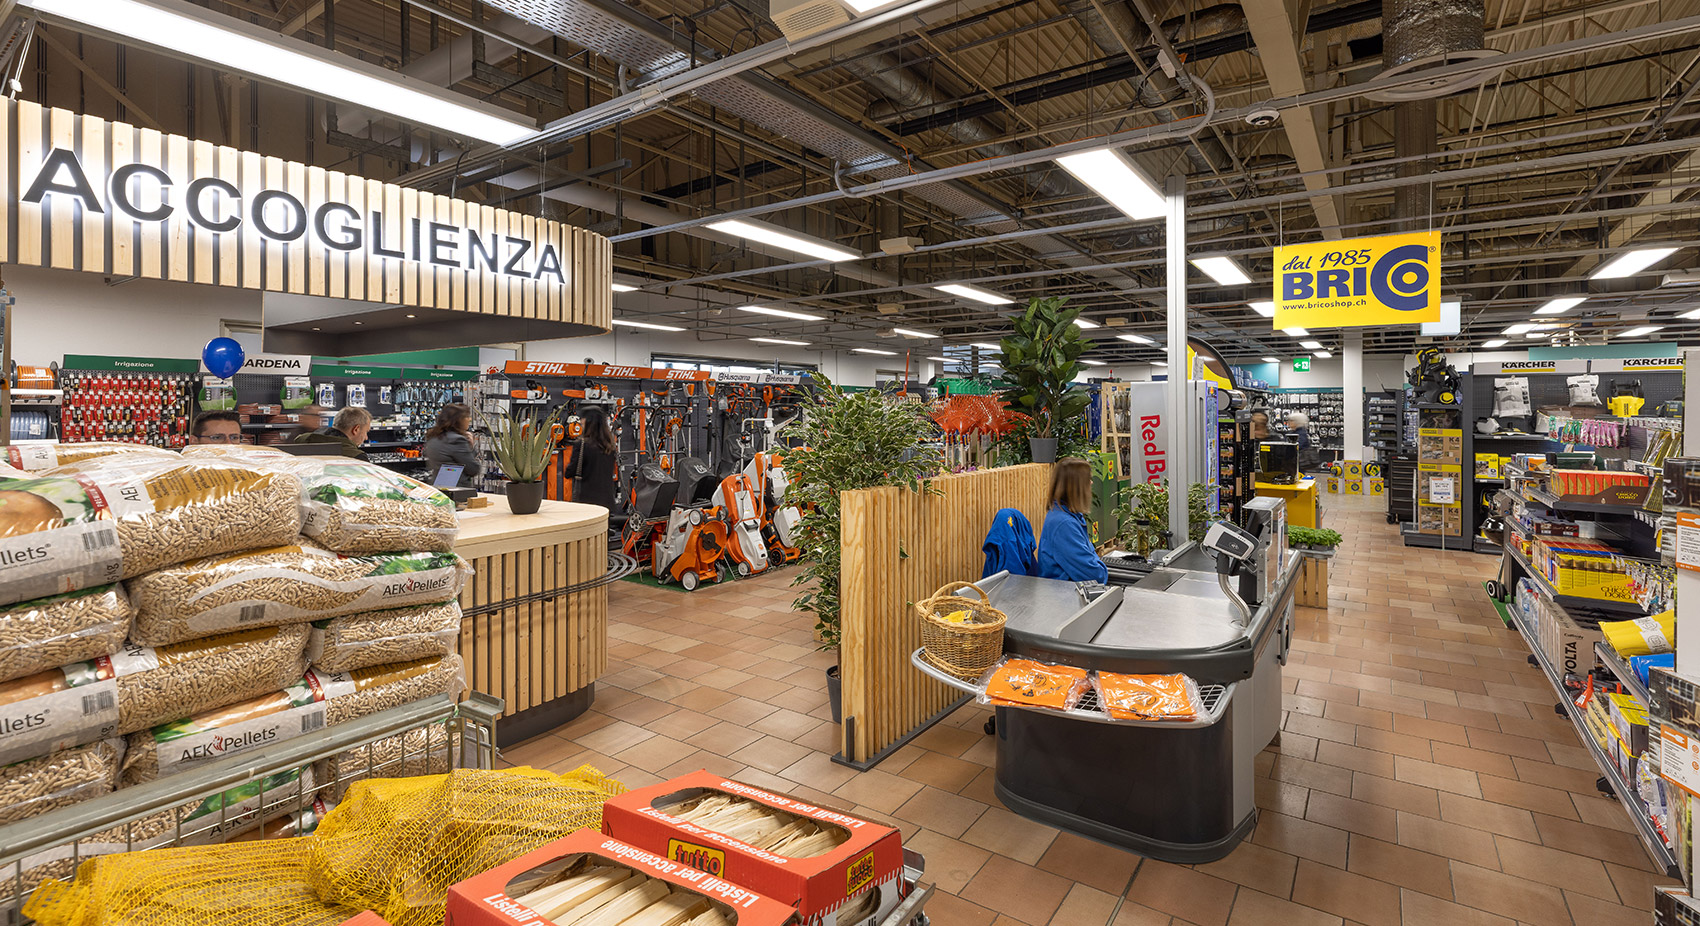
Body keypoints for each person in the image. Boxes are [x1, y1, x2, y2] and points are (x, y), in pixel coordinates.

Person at [1035, 457, 1109, 584]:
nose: (1091, 483)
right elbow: (1096, 576)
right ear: (1076, 487)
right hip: (1065, 593)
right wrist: (1098, 565)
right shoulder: (1064, 525)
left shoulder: (1069, 516)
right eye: (1087, 479)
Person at [423, 403, 482, 486]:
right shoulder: (457, 440)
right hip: (457, 489)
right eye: (467, 417)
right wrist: (471, 447)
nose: (469, 419)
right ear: (458, 420)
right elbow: (473, 469)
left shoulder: (433, 438)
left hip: (438, 486)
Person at [571, 405, 619, 511]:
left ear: (589, 421)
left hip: (587, 502)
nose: (581, 422)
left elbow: (570, 471)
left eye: (583, 418)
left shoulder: (582, 445)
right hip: (607, 502)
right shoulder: (610, 446)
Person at [292, 406, 371, 460]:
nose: (366, 437)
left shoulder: (301, 440)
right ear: (356, 429)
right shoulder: (356, 457)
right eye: (366, 432)